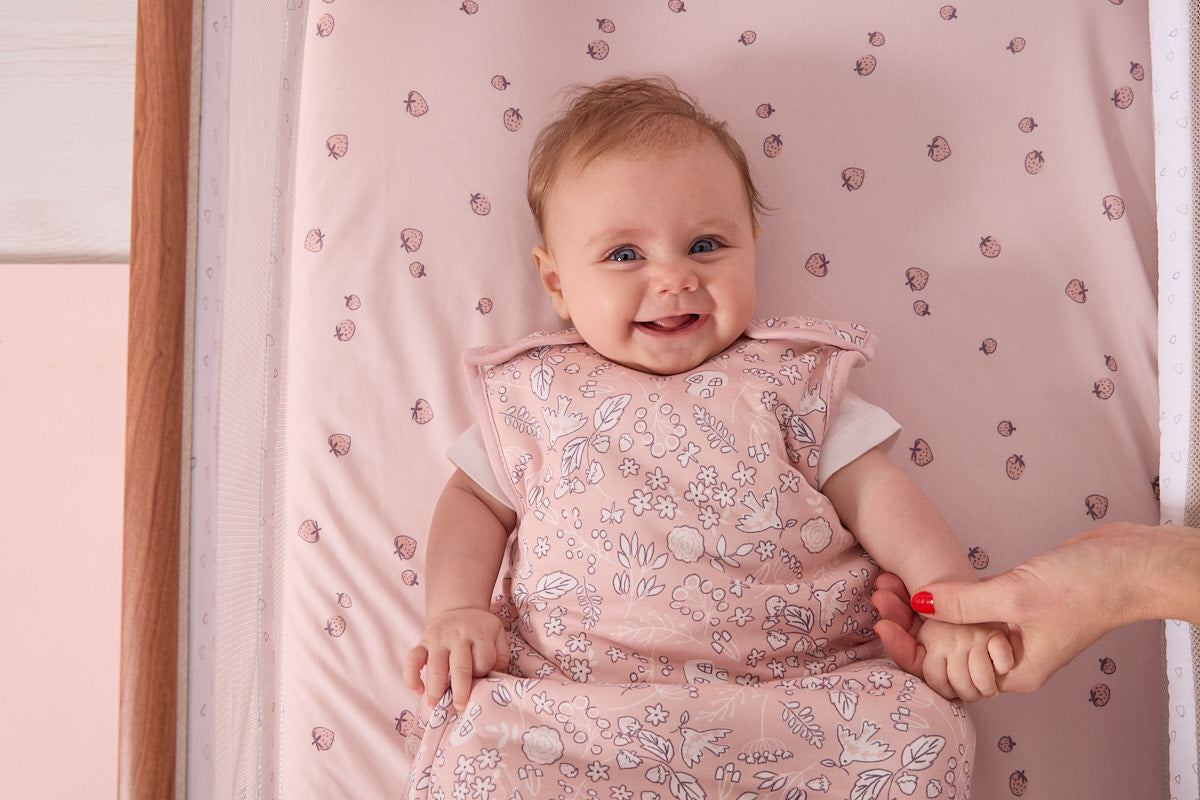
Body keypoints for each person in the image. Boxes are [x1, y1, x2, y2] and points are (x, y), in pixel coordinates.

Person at [400, 75, 1012, 798]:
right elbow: (474, 500)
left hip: (800, 708)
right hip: (580, 716)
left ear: (752, 247)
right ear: (557, 282)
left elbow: (880, 493)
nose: (673, 278)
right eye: (624, 255)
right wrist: (456, 610)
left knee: (921, 732)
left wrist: (946, 599)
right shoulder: (535, 396)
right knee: (486, 744)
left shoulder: (793, 384)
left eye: (705, 245)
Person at [871, 521, 1200, 693]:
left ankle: (1151, 565)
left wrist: (947, 606)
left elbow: (870, 487)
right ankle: (1153, 564)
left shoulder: (819, 405)